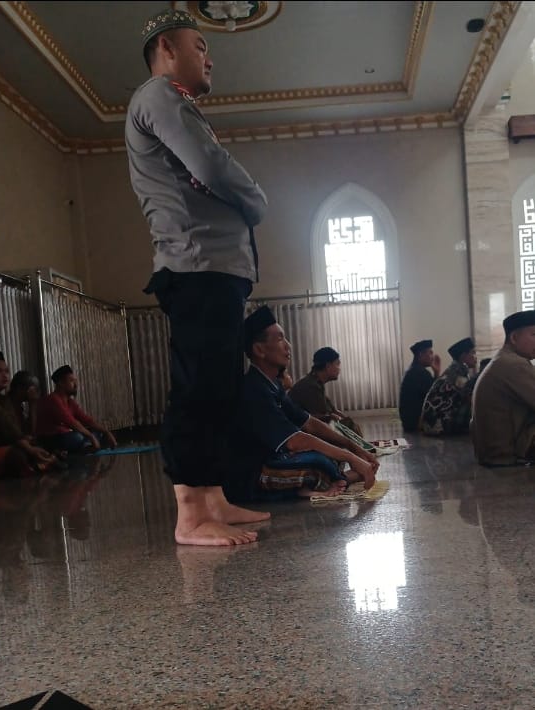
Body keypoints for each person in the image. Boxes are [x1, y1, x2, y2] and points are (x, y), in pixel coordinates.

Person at [125, 9, 268, 546]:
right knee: (198, 388)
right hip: (196, 268)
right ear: (167, 48)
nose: (210, 57)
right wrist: (256, 200)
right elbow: (211, 166)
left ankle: (213, 498)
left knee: (219, 387)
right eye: (200, 45)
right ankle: (190, 514)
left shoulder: (177, 104)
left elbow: (208, 168)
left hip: (214, 269)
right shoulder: (160, 94)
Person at [224, 307, 379, 503]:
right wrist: (351, 457)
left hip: (279, 457)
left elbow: (309, 423)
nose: (288, 346)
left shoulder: (272, 385)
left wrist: (353, 448)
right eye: (280, 339)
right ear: (259, 350)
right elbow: (296, 441)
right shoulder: (254, 389)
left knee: (330, 452)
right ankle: (331, 482)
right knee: (318, 465)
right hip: (254, 471)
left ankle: (334, 480)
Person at [472, 310, 535, 466]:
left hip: (492, 452)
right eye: (534, 335)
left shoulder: (504, 359)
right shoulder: (514, 364)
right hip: (505, 453)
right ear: (514, 338)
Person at [0, 351, 55, 479]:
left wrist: (33, 404)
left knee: (35, 447)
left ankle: (35, 466)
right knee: (17, 455)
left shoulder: (3, 400)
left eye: (7, 371)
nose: (5, 375)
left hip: (3, 449)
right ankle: (34, 467)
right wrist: (28, 447)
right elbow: (7, 426)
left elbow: (24, 433)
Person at [36, 365, 117, 454]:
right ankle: (84, 447)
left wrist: (107, 432)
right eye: (71, 381)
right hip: (50, 439)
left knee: (98, 432)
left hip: (66, 436)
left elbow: (87, 420)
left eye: (75, 381)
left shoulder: (70, 402)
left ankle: (84, 447)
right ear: (61, 383)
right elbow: (71, 423)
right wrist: (91, 437)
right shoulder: (53, 399)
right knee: (77, 437)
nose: (75, 384)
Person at [288, 347, 364, 436]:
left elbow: (333, 410)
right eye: (337, 364)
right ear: (328, 366)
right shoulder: (310, 386)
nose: (339, 369)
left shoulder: (315, 382)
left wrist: (350, 422)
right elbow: (319, 419)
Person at [421, 337, 477, 435]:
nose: (475, 357)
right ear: (463, 356)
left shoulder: (456, 370)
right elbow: (471, 398)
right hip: (437, 425)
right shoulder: (456, 374)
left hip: (432, 424)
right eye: (472, 353)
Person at [398, 339, 441, 432]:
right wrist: (437, 373)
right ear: (421, 354)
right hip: (415, 422)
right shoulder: (419, 373)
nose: (432, 357)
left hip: (408, 422)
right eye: (430, 353)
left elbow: (432, 391)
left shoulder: (414, 370)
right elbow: (436, 396)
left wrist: (436, 372)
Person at [7, 370, 40, 436]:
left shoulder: (19, 406)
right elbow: (31, 432)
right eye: (32, 390)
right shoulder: (7, 406)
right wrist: (33, 404)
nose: (35, 393)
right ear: (19, 388)